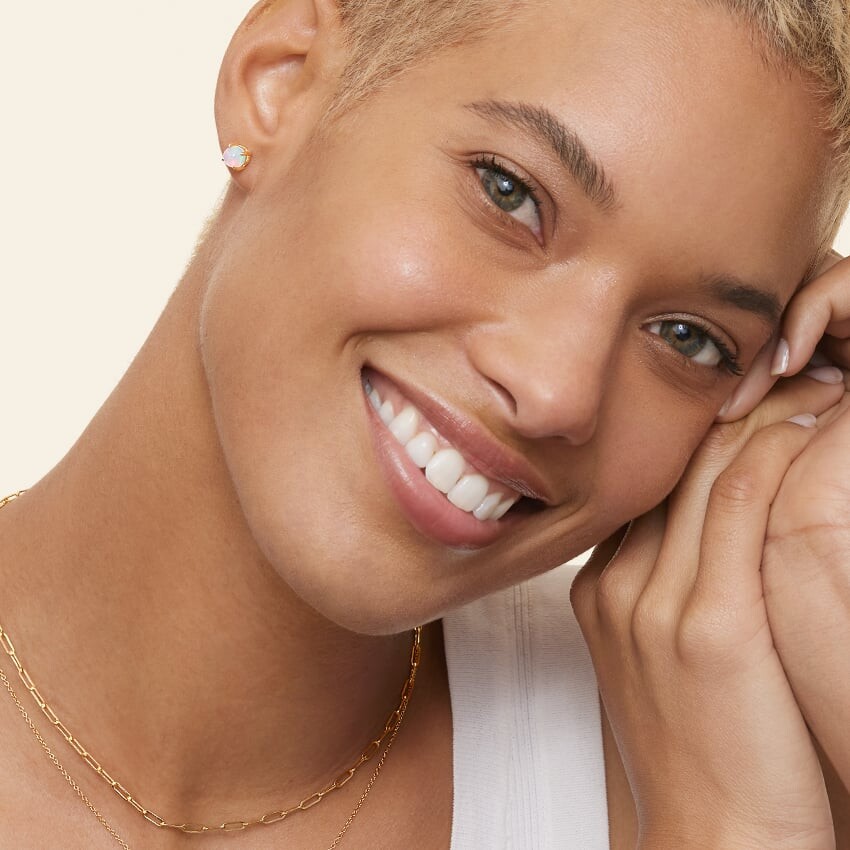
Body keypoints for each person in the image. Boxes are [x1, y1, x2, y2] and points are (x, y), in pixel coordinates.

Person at [0, 0, 849, 847]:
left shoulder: (741, 769)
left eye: (689, 338)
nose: (556, 392)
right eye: (511, 195)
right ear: (281, 82)